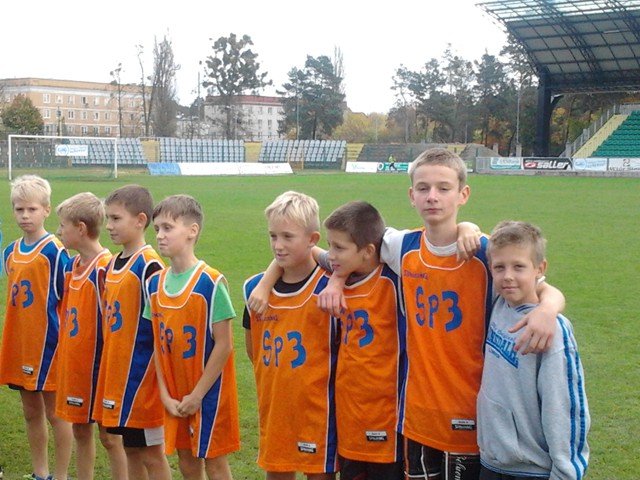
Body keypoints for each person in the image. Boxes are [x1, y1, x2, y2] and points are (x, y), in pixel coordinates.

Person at [319, 148, 565, 480]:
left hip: (469, 414)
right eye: (423, 188)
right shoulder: (402, 246)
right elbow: (348, 251)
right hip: (415, 417)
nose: (432, 196)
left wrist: (547, 309)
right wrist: (335, 280)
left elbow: (538, 285)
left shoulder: (484, 253)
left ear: (463, 194)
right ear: (412, 196)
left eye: (443, 188)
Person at [247, 201, 405, 480]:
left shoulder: (392, 276)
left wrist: (335, 280)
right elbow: (313, 252)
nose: (332, 255)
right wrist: (266, 282)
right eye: (273, 236)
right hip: (342, 417)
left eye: (287, 236)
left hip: (380, 413)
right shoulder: (336, 265)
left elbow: (395, 240)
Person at [478, 220, 589, 480]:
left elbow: (563, 408)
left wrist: (565, 473)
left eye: (519, 267)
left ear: (540, 269)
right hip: (492, 462)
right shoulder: (498, 304)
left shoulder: (553, 330)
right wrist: (467, 228)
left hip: (531, 470)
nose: (508, 276)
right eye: (499, 267)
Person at [243, 191, 338, 480]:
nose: (278, 245)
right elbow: (253, 351)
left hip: (318, 413)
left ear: (312, 239)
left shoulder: (330, 288)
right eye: (273, 236)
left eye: (287, 237)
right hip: (275, 410)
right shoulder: (254, 290)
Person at [145, 194, 240, 480]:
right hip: (175, 393)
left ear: (192, 230)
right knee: (186, 460)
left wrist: (197, 395)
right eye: (157, 229)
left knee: (214, 462)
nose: (159, 236)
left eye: (168, 228)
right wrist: (165, 395)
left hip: (209, 392)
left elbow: (224, 345)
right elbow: (158, 345)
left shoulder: (210, 282)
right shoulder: (154, 284)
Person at [91, 185, 171, 480]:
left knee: (151, 453)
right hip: (117, 375)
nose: (109, 226)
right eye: (108, 219)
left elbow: (162, 326)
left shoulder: (149, 266)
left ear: (140, 220)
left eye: (115, 219)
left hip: (141, 379)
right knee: (130, 449)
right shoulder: (113, 263)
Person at [0, 175, 73, 480]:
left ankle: (61, 474)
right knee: (31, 413)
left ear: (46, 210)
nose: (25, 216)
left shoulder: (55, 251)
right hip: (20, 344)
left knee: (57, 414)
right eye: (19, 209)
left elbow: (67, 300)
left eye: (31, 209)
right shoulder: (10, 251)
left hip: (50, 346)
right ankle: (40, 473)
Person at [55, 192, 128, 480]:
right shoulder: (72, 266)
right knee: (80, 430)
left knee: (110, 437)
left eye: (62, 226)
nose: (58, 231)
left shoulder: (105, 268)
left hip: (100, 368)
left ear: (81, 229)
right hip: (77, 367)